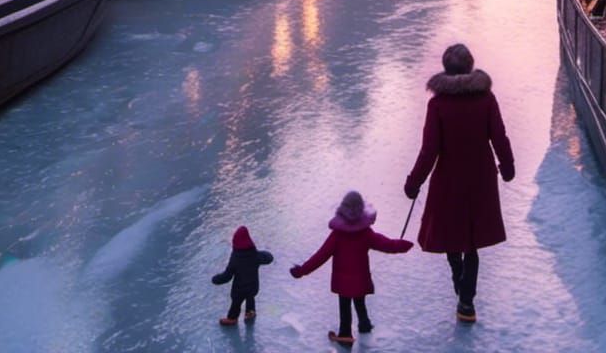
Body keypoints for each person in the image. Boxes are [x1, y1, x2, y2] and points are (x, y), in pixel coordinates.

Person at [403, 43, 514, 324]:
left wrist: (413, 182)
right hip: (480, 176)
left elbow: (429, 150)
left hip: (449, 177)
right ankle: (467, 300)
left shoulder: (438, 105)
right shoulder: (486, 99)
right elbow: (499, 137)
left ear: (446, 69)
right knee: (472, 239)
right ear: (469, 66)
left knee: (453, 233)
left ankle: (460, 284)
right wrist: (507, 166)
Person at [290, 190, 412, 347]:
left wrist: (302, 270)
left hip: (342, 283)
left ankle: (345, 333)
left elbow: (320, 256)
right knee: (360, 302)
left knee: (345, 306)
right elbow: (385, 244)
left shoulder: (337, 235)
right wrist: (401, 245)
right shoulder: (366, 233)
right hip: (360, 280)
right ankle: (365, 325)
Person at [212, 226, 273, 327]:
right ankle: (250, 313)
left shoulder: (235, 258)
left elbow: (227, 276)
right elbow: (269, 258)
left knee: (236, 303)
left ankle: (232, 318)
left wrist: (216, 279)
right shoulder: (255, 255)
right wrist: (264, 253)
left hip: (239, 289)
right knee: (250, 298)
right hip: (253, 286)